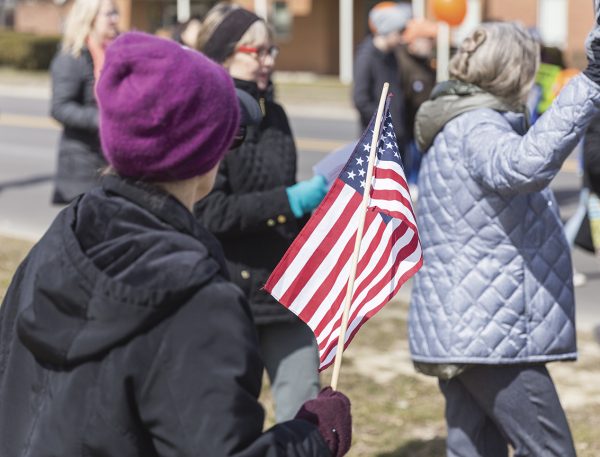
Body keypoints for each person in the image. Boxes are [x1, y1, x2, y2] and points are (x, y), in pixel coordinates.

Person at [0, 32, 352, 457]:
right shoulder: (197, 299)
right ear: (203, 152)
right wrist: (315, 437)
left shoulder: (65, 232)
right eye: (229, 136)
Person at [409, 19, 600, 457]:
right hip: (491, 333)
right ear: (515, 71)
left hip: (463, 326)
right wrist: (591, 83)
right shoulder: (478, 125)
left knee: (473, 448)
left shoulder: (454, 124)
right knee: (551, 449)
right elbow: (522, 167)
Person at [193, 2, 327, 423]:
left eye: (273, 51)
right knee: (228, 419)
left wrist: (318, 210)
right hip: (228, 292)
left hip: (284, 288)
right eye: (258, 52)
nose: (269, 61)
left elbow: (283, 194)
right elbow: (208, 211)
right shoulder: (206, 115)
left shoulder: (277, 114)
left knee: (304, 411)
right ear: (223, 54)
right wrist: (288, 202)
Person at [49, 0, 119, 204]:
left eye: (116, 13)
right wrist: (103, 120)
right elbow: (60, 108)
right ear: (90, 17)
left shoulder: (117, 53)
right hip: (81, 164)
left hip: (111, 161)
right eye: (109, 14)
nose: (115, 19)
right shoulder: (72, 57)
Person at [353, 1, 411, 161]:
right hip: (378, 139)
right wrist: (383, 124)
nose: (402, 38)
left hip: (397, 138)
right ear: (388, 30)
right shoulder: (366, 57)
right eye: (399, 32)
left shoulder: (392, 56)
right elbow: (360, 99)